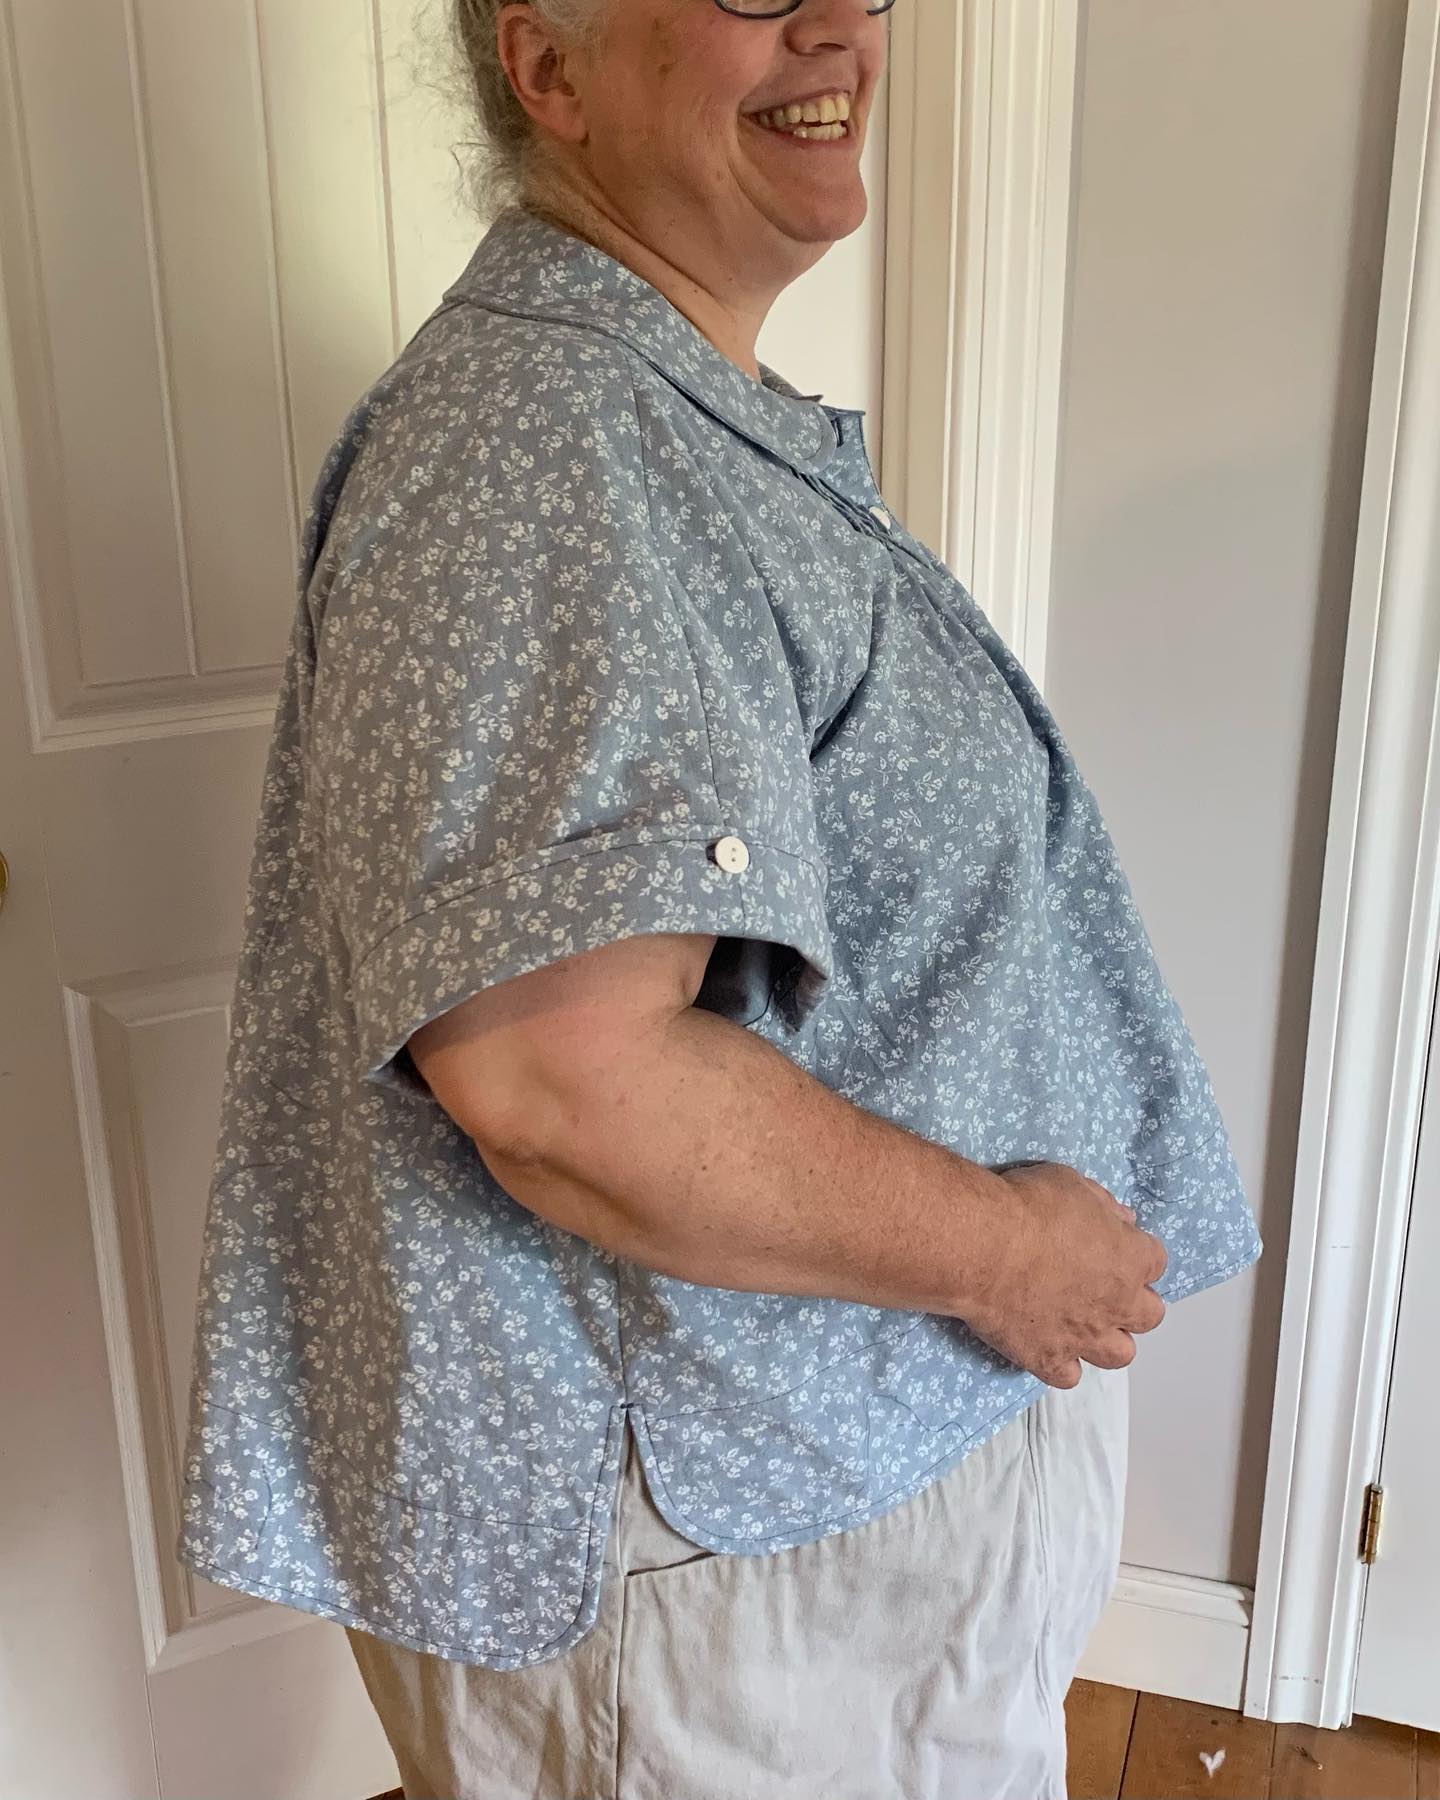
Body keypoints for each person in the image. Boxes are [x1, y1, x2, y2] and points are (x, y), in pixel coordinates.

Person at [175, 0, 1263, 1794]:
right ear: (552, 68)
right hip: (725, 1566)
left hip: (810, 1495)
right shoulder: (536, 444)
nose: (841, 27)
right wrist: (1009, 1255)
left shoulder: (659, 418)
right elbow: (567, 1083)